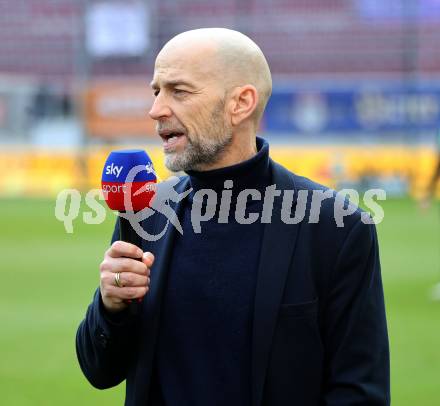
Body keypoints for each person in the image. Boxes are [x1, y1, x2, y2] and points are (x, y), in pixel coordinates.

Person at [76, 28, 390, 406]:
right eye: (156, 90)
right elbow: (100, 370)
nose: (155, 109)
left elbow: (359, 392)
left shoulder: (335, 226)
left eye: (179, 90)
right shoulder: (147, 211)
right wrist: (112, 307)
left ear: (240, 103)